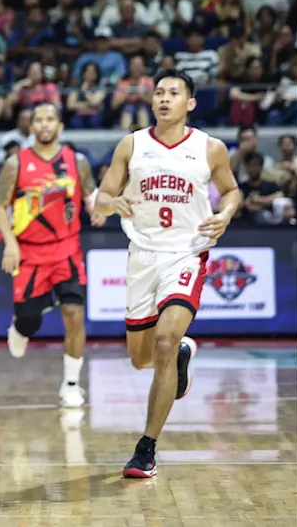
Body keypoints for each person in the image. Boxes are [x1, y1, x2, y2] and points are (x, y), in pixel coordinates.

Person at [92, 69, 241, 479]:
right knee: (141, 358)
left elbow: (231, 190)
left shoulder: (210, 148)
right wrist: (110, 203)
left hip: (186, 255)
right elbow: (103, 196)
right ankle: (179, 357)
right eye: (159, 92)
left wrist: (225, 213)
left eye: (174, 93)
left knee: (162, 341)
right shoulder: (132, 143)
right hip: (143, 255)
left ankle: (146, 449)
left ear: (190, 103)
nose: (164, 98)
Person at [0, 102, 103, 408]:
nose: (44, 124)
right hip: (28, 252)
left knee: (74, 315)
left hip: (67, 250)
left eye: (50, 119)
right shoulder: (16, 163)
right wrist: (10, 243)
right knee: (30, 321)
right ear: (31, 127)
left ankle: (71, 384)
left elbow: (90, 192)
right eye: (38, 119)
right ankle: (20, 327)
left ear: (60, 126)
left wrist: (96, 208)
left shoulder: (76, 161)